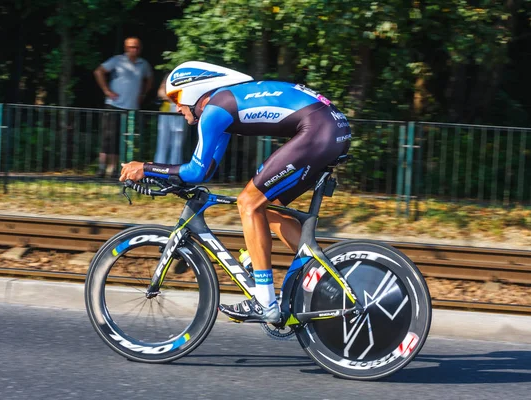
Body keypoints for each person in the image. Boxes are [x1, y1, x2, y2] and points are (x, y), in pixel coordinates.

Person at [119, 61, 351, 323]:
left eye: (177, 98)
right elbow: (204, 172)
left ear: (195, 92)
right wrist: (167, 176)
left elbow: (195, 173)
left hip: (318, 130)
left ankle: (265, 302)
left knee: (248, 202)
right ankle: (328, 283)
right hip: (332, 128)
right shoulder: (226, 106)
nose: (176, 107)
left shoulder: (215, 110)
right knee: (267, 205)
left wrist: (147, 168)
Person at [94, 37, 153, 178]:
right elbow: (99, 71)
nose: (134, 50)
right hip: (114, 105)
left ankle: (114, 168)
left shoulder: (143, 64)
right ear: (126, 48)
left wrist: (143, 94)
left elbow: (150, 78)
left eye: (137, 47)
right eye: (131, 47)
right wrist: (107, 90)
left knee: (121, 138)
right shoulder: (117, 60)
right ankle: (102, 167)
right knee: (107, 137)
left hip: (131, 107)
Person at [155, 74, 186, 164]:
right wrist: (173, 98)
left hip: (178, 109)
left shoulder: (184, 79)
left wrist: (169, 97)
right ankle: (159, 165)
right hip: (166, 109)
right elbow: (160, 92)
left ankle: (174, 166)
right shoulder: (168, 76)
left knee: (177, 142)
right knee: (162, 141)